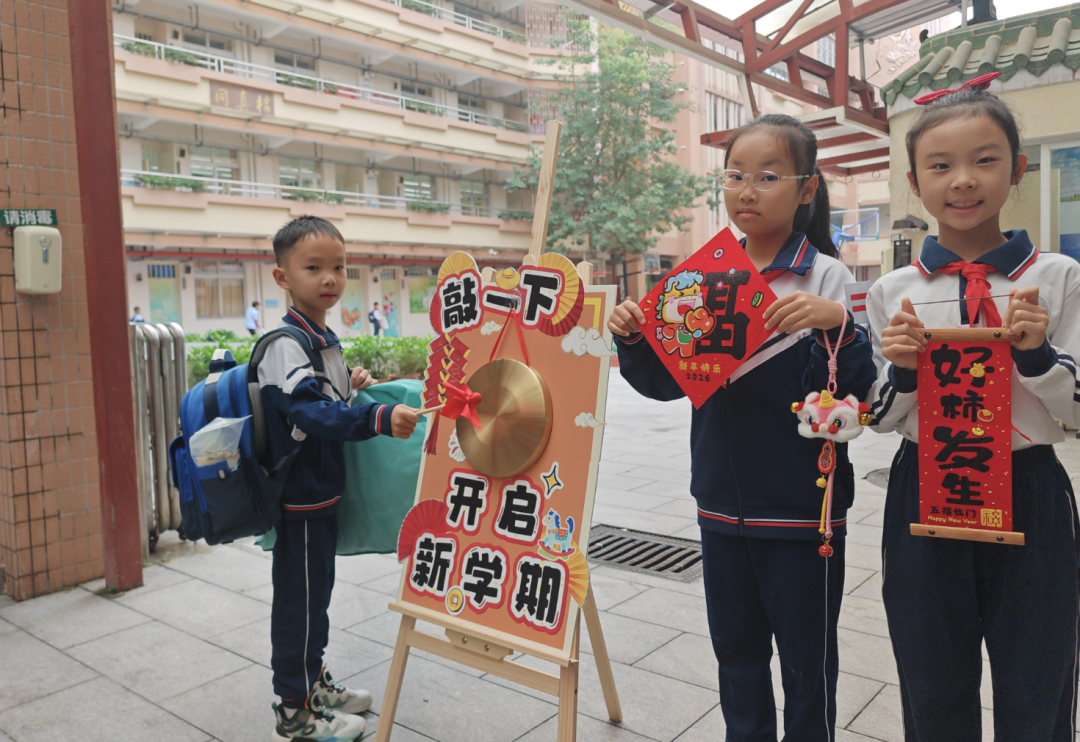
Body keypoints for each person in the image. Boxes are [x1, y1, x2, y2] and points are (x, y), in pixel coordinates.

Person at [608, 114, 877, 742]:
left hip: (804, 512)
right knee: (736, 655)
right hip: (719, 506)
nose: (747, 190)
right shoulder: (703, 277)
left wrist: (835, 324)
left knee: (808, 665)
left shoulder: (825, 277)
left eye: (768, 176)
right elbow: (668, 383)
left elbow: (857, 394)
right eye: (734, 176)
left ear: (807, 189)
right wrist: (634, 338)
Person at [866, 87, 1080, 741]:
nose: (962, 180)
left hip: (1030, 492)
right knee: (931, 684)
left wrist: (1037, 356)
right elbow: (879, 415)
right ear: (914, 182)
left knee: (1037, 684)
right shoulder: (893, 291)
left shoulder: (1058, 278)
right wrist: (905, 370)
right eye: (940, 165)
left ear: (1017, 168)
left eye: (985, 160)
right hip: (926, 490)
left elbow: (1076, 414)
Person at [259, 216, 421, 741]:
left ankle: (313, 685)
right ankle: (294, 710)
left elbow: (325, 401)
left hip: (320, 494)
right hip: (299, 500)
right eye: (313, 268)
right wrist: (376, 418)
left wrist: (350, 385)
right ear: (283, 277)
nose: (329, 278)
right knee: (300, 604)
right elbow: (308, 413)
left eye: (338, 267)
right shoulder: (285, 343)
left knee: (316, 598)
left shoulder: (320, 337)